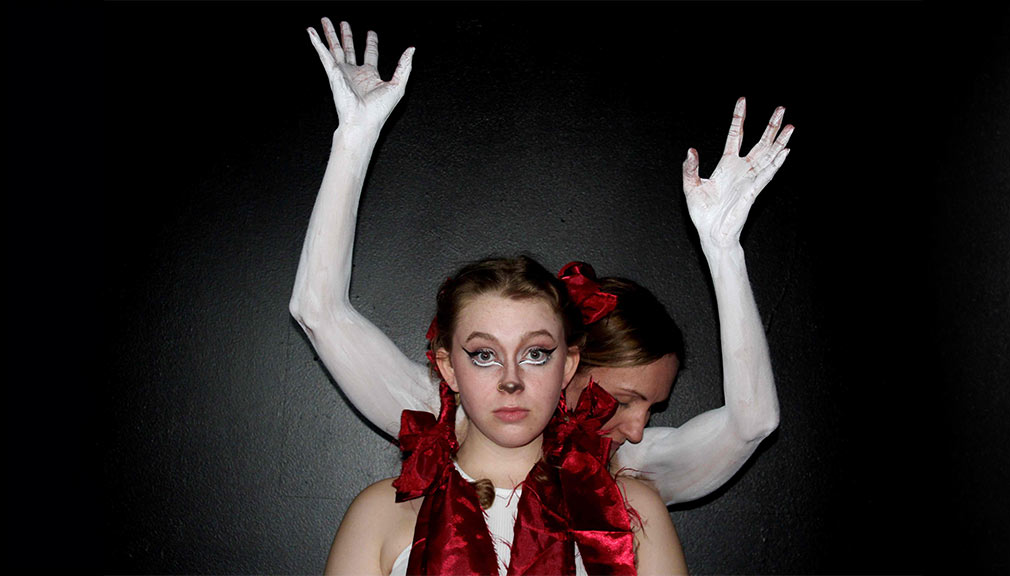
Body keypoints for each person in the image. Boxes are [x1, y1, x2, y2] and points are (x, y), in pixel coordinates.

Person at [291, 18, 792, 506]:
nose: (638, 429)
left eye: (651, 407)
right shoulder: (456, 424)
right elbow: (319, 312)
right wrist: (353, 139)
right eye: (622, 401)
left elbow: (753, 423)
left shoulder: (632, 469)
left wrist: (725, 249)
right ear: (565, 364)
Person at [323, 255, 688, 575]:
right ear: (448, 367)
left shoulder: (635, 511)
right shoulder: (380, 515)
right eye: (484, 355)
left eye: (536, 354)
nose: (511, 381)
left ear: (567, 365)